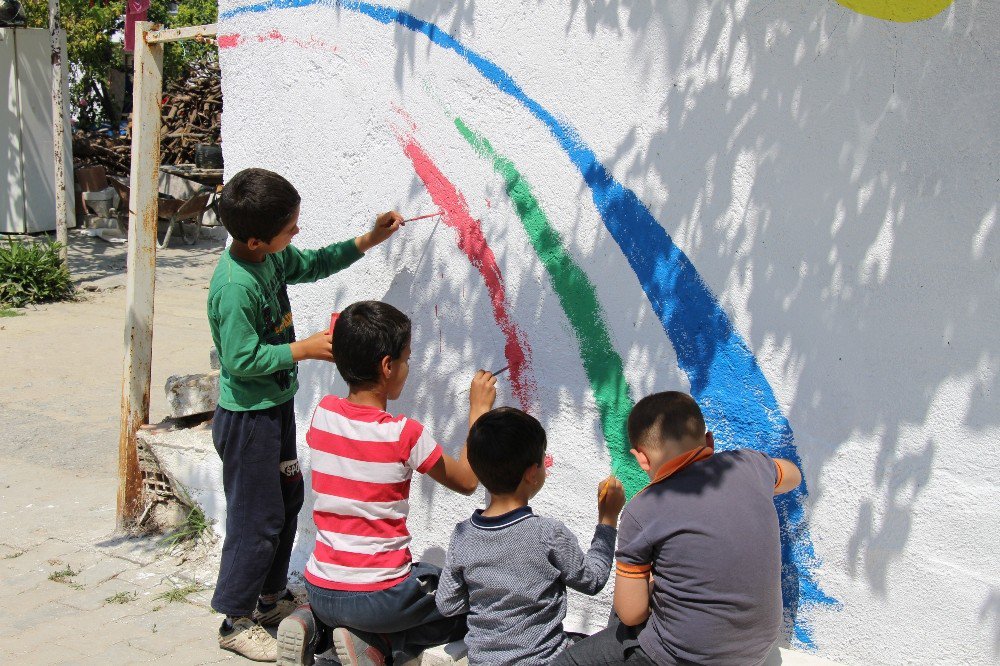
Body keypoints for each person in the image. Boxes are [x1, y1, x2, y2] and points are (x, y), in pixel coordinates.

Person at [208, 168, 403, 661]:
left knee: (287, 502)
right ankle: (234, 620)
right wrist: (304, 349)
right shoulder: (236, 287)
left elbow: (312, 264)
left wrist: (368, 239)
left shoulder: (269, 259)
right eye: (290, 228)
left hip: (274, 410)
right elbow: (239, 360)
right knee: (256, 519)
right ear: (256, 240)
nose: (297, 233)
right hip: (248, 421)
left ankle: (270, 603)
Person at [276, 300, 498, 666]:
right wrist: (478, 412)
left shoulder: (322, 414)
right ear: (387, 366)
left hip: (319, 588)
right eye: (407, 358)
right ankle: (375, 643)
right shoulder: (404, 435)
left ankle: (312, 624)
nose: (408, 367)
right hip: (378, 597)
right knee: (465, 607)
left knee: (415, 581)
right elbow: (468, 480)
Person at [555, 391, 803, 665]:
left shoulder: (643, 509)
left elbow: (631, 614)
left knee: (569, 661)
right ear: (709, 440)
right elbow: (792, 475)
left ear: (642, 459)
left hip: (682, 656)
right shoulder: (751, 464)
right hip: (755, 651)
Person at [431, 406, 625, 665]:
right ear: (532, 473)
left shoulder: (463, 535)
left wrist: (491, 599)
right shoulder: (547, 534)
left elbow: (447, 603)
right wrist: (607, 520)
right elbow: (593, 579)